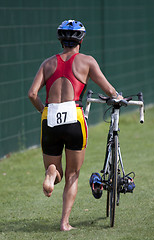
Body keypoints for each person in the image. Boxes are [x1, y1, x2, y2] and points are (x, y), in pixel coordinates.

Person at [28, 19, 123, 231]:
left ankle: (51, 172)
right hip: (75, 117)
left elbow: (32, 94)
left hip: (50, 118)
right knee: (72, 175)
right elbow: (108, 89)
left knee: (59, 172)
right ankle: (64, 223)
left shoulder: (47, 63)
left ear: (61, 40)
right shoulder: (87, 61)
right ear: (81, 40)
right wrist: (118, 96)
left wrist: (44, 109)